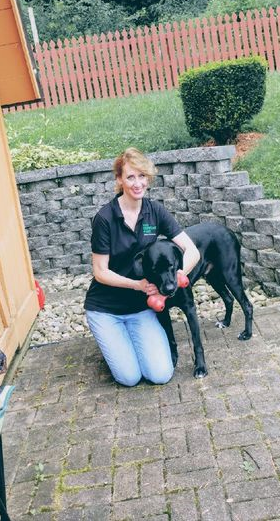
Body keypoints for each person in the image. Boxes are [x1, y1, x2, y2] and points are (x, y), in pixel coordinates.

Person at [84, 147, 200, 387]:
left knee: (160, 375)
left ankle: (127, 341)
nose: (137, 183)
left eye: (142, 176)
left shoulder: (154, 211)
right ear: (119, 179)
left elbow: (192, 251)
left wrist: (178, 275)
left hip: (141, 308)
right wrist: (137, 285)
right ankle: (115, 340)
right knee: (129, 377)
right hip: (106, 307)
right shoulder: (105, 218)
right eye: (130, 177)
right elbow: (100, 272)